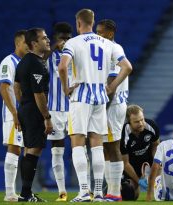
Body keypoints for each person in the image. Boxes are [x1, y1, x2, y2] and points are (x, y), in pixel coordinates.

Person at [58, 9, 132, 202]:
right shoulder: (109, 44)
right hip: (100, 97)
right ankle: (98, 192)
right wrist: (111, 87)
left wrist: (66, 88)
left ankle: (84, 191)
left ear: (78, 23)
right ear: (93, 22)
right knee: (97, 144)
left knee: (77, 142)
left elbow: (62, 66)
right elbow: (127, 67)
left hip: (81, 96)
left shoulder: (72, 43)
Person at [14, 28, 53, 202]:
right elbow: (39, 94)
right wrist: (47, 118)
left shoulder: (23, 61)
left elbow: (16, 86)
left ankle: (25, 193)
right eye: (44, 38)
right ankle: (26, 193)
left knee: (29, 149)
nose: (48, 40)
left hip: (25, 108)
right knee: (34, 150)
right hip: (34, 111)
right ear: (34, 43)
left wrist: (23, 104)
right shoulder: (36, 64)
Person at [95, 19, 129, 201]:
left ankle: (115, 192)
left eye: (100, 32)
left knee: (113, 146)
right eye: (96, 31)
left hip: (112, 106)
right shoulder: (109, 50)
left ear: (110, 33)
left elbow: (111, 84)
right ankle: (111, 191)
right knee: (107, 148)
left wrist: (101, 108)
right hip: (114, 105)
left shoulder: (112, 52)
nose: (97, 35)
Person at [0, 30, 29, 202]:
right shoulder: (8, 62)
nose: (29, 46)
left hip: (26, 113)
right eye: (26, 43)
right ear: (18, 43)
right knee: (14, 148)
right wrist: (14, 112)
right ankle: (9, 193)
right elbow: (4, 88)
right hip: (14, 113)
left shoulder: (25, 62)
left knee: (23, 150)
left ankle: (22, 191)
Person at [46, 22, 73, 202]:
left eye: (67, 38)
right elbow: (36, 59)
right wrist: (54, 48)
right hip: (54, 110)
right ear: (55, 39)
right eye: (61, 38)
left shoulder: (77, 55)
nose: (64, 42)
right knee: (57, 151)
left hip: (75, 107)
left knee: (81, 149)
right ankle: (62, 192)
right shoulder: (48, 57)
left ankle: (87, 190)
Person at [119, 105, 160, 200]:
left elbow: (156, 146)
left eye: (142, 119)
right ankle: (111, 188)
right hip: (131, 166)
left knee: (162, 169)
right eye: (137, 122)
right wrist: (138, 181)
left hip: (149, 164)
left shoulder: (152, 126)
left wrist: (155, 166)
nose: (141, 123)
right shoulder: (123, 134)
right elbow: (125, 163)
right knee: (128, 194)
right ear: (129, 122)